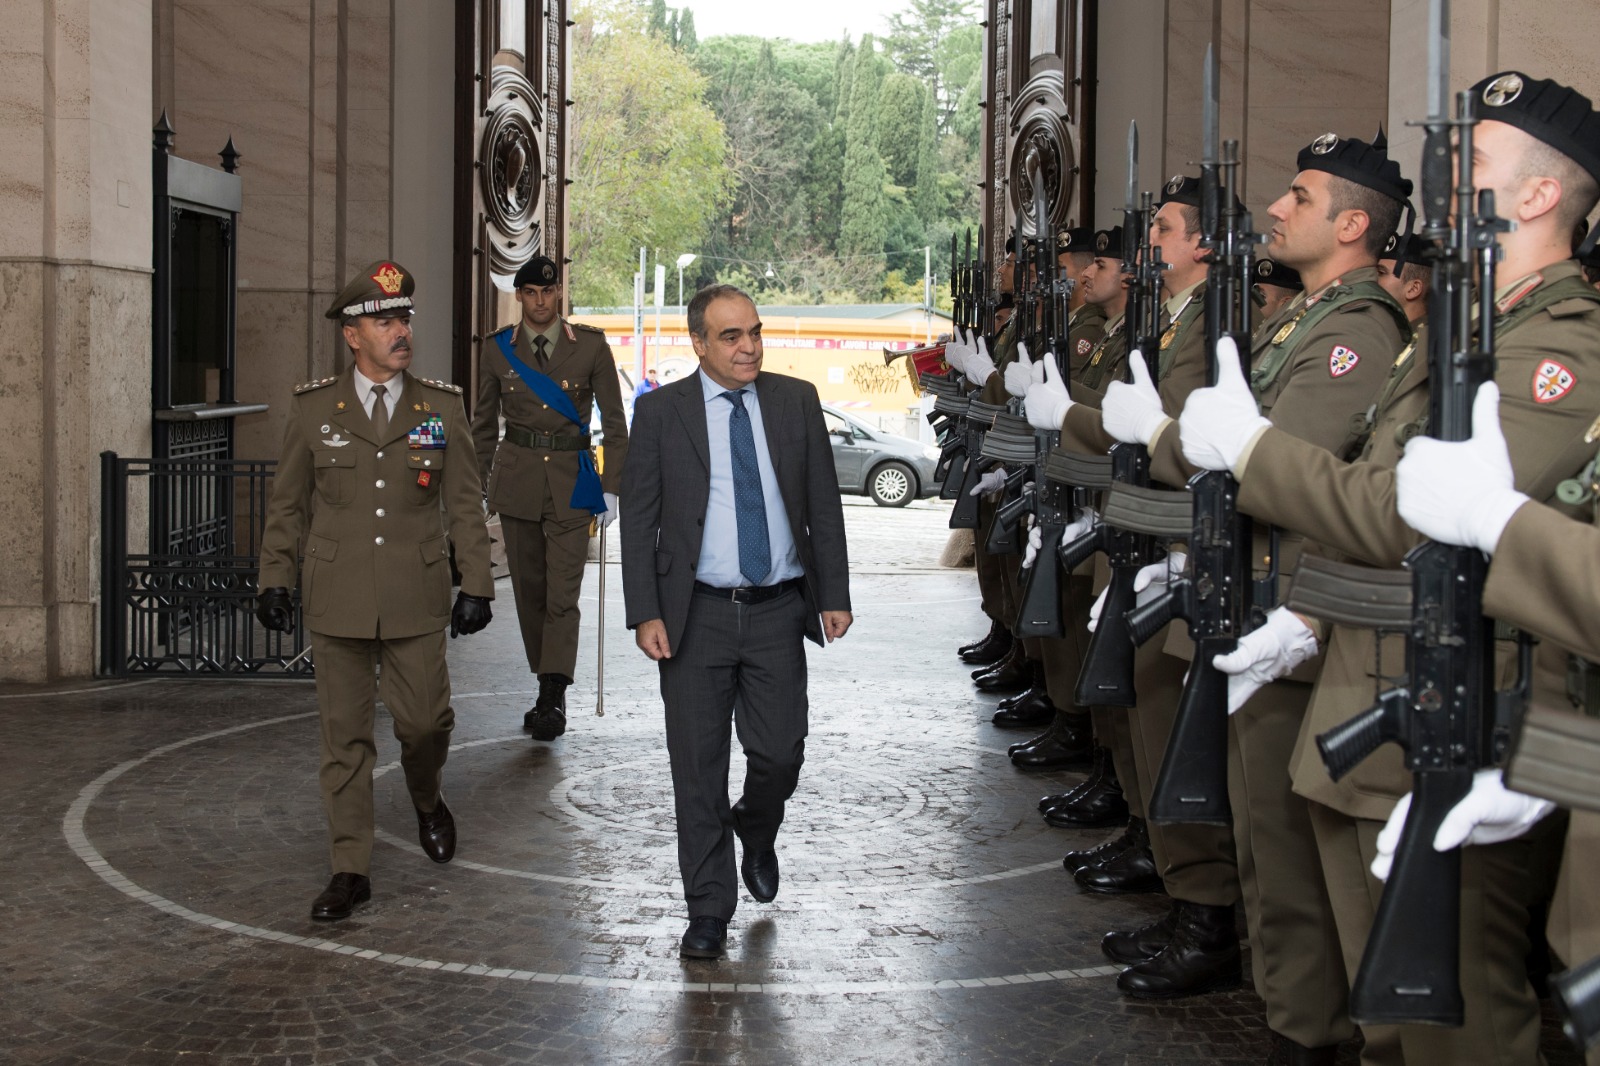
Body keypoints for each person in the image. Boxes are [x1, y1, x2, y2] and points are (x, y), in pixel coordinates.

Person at [1176, 74, 1600, 1064]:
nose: (1445, 183)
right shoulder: (1465, 335)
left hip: (1465, 708)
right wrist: (1312, 619)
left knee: (1449, 1020)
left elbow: (1410, 517)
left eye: (1474, 162)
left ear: (1537, 197)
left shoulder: (1555, 350)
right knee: (1389, 1018)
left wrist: (1250, 452)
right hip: (1378, 688)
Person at [255, 260, 495, 921]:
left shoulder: (439, 407)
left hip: (415, 598)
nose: (400, 331)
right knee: (345, 741)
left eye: (404, 319)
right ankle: (349, 868)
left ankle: (426, 797)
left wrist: (476, 580)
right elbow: (288, 507)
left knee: (425, 724)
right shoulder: (313, 410)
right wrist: (275, 577)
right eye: (385, 321)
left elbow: (465, 504)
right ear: (351, 335)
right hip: (336, 598)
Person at [620, 283, 853, 959]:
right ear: (698, 343)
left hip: (779, 611)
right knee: (696, 767)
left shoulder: (795, 401)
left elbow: (823, 504)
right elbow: (639, 519)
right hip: (695, 617)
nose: (748, 346)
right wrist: (646, 611)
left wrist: (832, 592)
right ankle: (709, 911)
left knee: (781, 752)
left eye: (754, 331)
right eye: (730, 336)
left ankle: (757, 824)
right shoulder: (662, 413)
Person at [471, 255, 629, 743]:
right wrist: (474, 490)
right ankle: (546, 678)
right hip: (517, 485)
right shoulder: (498, 351)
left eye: (549, 291)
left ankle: (551, 695)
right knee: (530, 596)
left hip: (571, 485)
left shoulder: (592, 348)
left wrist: (612, 487)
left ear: (558, 293)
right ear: (519, 296)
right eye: (531, 292)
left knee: (563, 597)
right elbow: (482, 427)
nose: (541, 300)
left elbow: (616, 426)